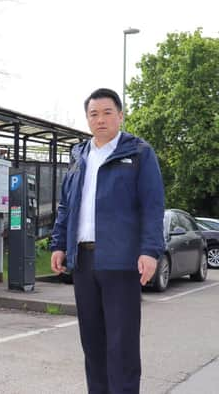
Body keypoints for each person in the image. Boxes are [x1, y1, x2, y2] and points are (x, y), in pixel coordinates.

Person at [50, 88, 165, 394]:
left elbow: (152, 207)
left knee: (122, 345)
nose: (100, 120)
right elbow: (65, 206)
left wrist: (150, 251)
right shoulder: (78, 158)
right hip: (84, 262)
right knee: (93, 344)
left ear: (120, 115)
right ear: (87, 118)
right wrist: (59, 244)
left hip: (121, 261)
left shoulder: (139, 154)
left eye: (107, 113)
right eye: (93, 114)